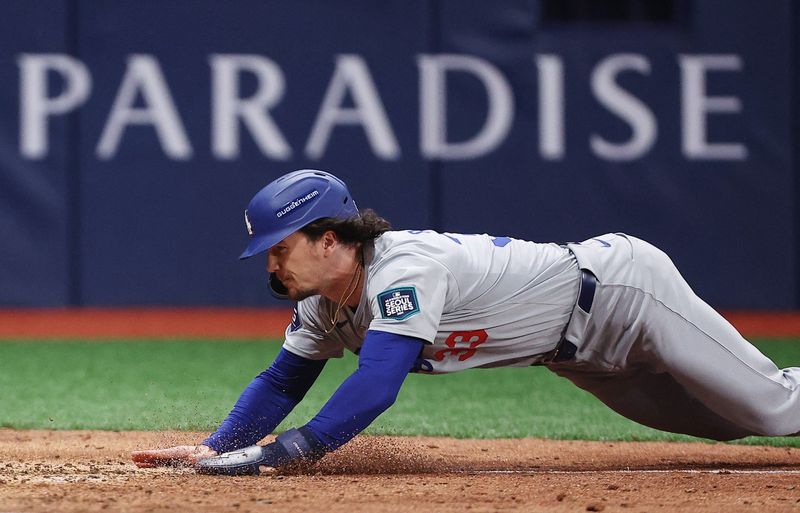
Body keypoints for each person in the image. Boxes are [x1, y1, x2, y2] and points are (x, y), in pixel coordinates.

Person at [132, 169, 800, 475]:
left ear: (330, 236)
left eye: (281, 247)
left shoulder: (402, 267)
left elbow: (378, 383)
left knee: (772, 408)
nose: (272, 265)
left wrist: (288, 451)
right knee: (730, 425)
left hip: (625, 295)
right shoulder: (321, 301)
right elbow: (282, 381)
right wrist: (219, 445)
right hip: (581, 357)